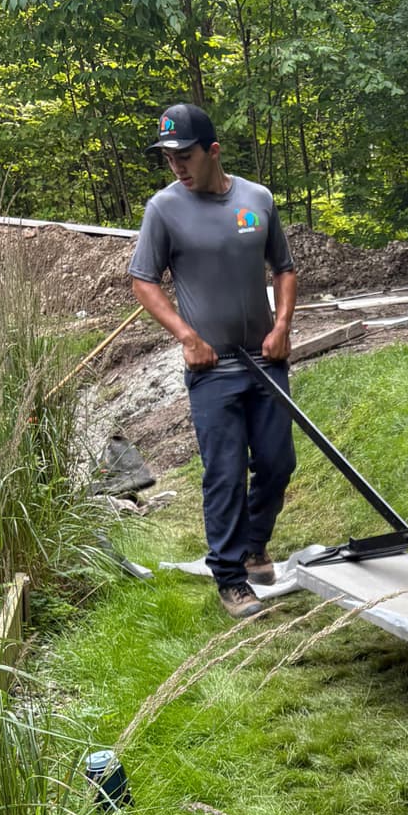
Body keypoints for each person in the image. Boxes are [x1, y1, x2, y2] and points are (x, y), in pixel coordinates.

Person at [129, 103, 299, 619]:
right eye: (167, 157)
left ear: (213, 151)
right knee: (223, 472)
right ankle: (230, 578)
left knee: (276, 462)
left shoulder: (257, 199)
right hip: (211, 369)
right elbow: (143, 281)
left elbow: (284, 269)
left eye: (185, 154)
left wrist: (283, 326)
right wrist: (186, 335)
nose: (176, 165)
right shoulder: (163, 209)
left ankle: (253, 545)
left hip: (265, 359)